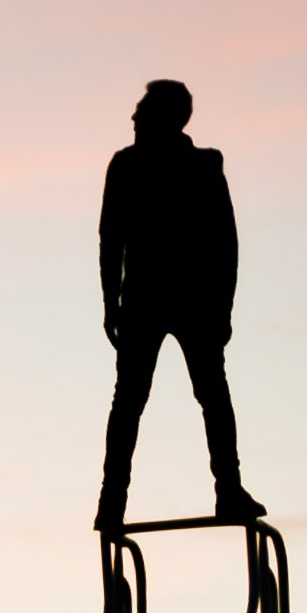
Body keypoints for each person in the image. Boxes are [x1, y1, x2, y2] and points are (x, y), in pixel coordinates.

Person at [95, 77, 260, 531]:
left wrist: (223, 307)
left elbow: (225, 242)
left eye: (142, 109)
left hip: (191, 303)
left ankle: (229, 489)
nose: (133, 117)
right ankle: (112, 501)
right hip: (146, 303)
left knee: (209, 396)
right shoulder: (125, 165)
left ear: (163, 116)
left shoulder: (205, 165)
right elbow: (111, 238)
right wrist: (111, 303)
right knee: (130, 402)